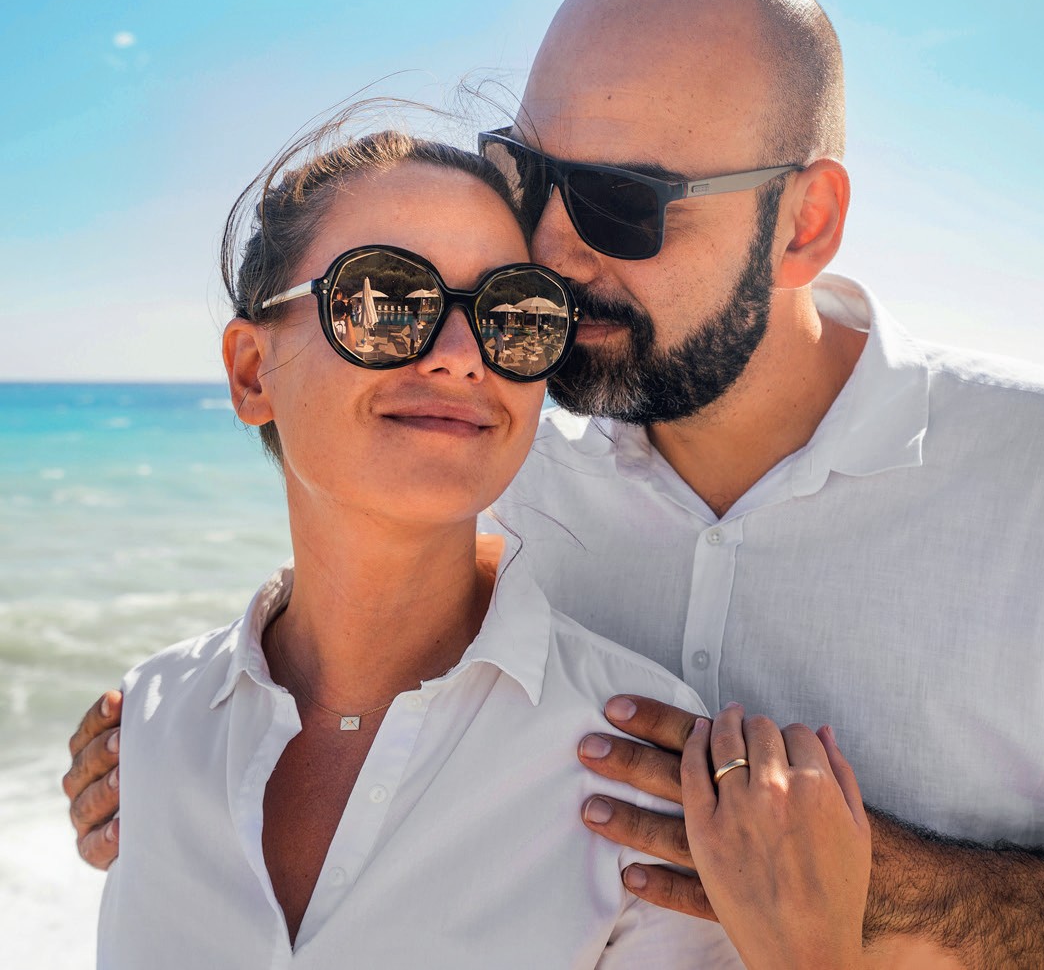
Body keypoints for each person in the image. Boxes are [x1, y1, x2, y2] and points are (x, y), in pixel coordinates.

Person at [67, 0, 1044, 969]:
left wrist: (902, 888)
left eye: (623, 204)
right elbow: (368, 594)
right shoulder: (510, 446)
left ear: (804, 224)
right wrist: (185, 731)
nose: (555, 249)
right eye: (531, 176)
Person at [91, 127, 744, 968]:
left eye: (515, 316)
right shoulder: (148, 724)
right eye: (384, 299)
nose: (463, 358)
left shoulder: (639, 774)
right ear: (253, 371)